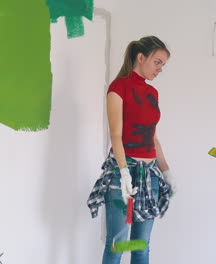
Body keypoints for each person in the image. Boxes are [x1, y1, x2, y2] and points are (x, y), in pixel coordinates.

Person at [87, 36, 176, 264]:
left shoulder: (153, 94)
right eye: (157, 62)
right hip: (122, 175)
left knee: (141, 246)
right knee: (117, 245)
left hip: (150, 176)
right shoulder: (118, 88)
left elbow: (153, 137)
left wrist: (166, 171)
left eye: (163, 65)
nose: (160, 69)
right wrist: (124, 172)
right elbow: (116, 135)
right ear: (140, 57)